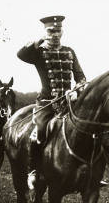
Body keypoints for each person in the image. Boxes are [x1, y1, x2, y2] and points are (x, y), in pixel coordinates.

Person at [16, 15, 86, 189]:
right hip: (47, 103)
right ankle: (33, 170)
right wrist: (38, 41)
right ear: (45, 32)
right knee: (38, 131)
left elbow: (81, 77)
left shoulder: (70, 51)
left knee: (87, 128)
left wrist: (77, 89)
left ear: (62, 31)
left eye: (58, 30)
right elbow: (21, 54)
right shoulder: (39, 51)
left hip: (70, 103)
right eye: (51, 31)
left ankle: (87, 171)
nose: (55, 34)